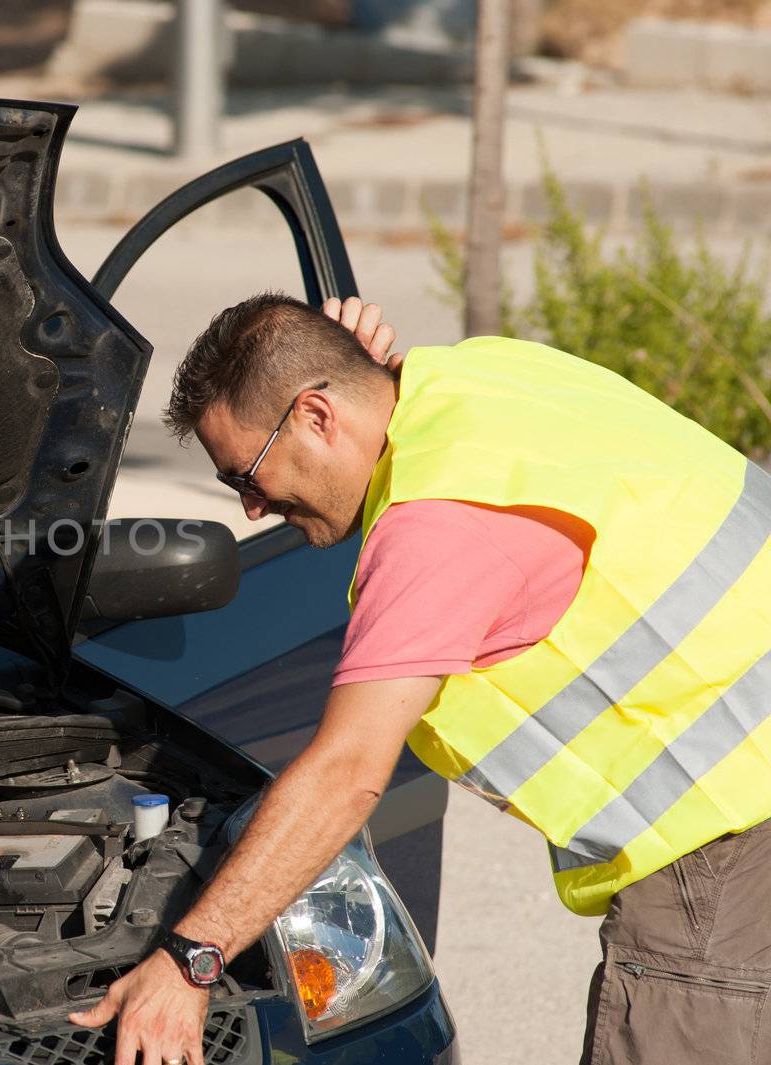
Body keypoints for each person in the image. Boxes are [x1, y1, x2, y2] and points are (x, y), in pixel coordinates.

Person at [69, 293, 771, 1065]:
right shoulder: (486, 373)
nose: (252, 506)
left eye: (247, 474)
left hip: (727, 841)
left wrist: (189, 961)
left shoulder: (436, 527)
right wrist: (359, 363)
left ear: (316, 416)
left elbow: (345, 773)